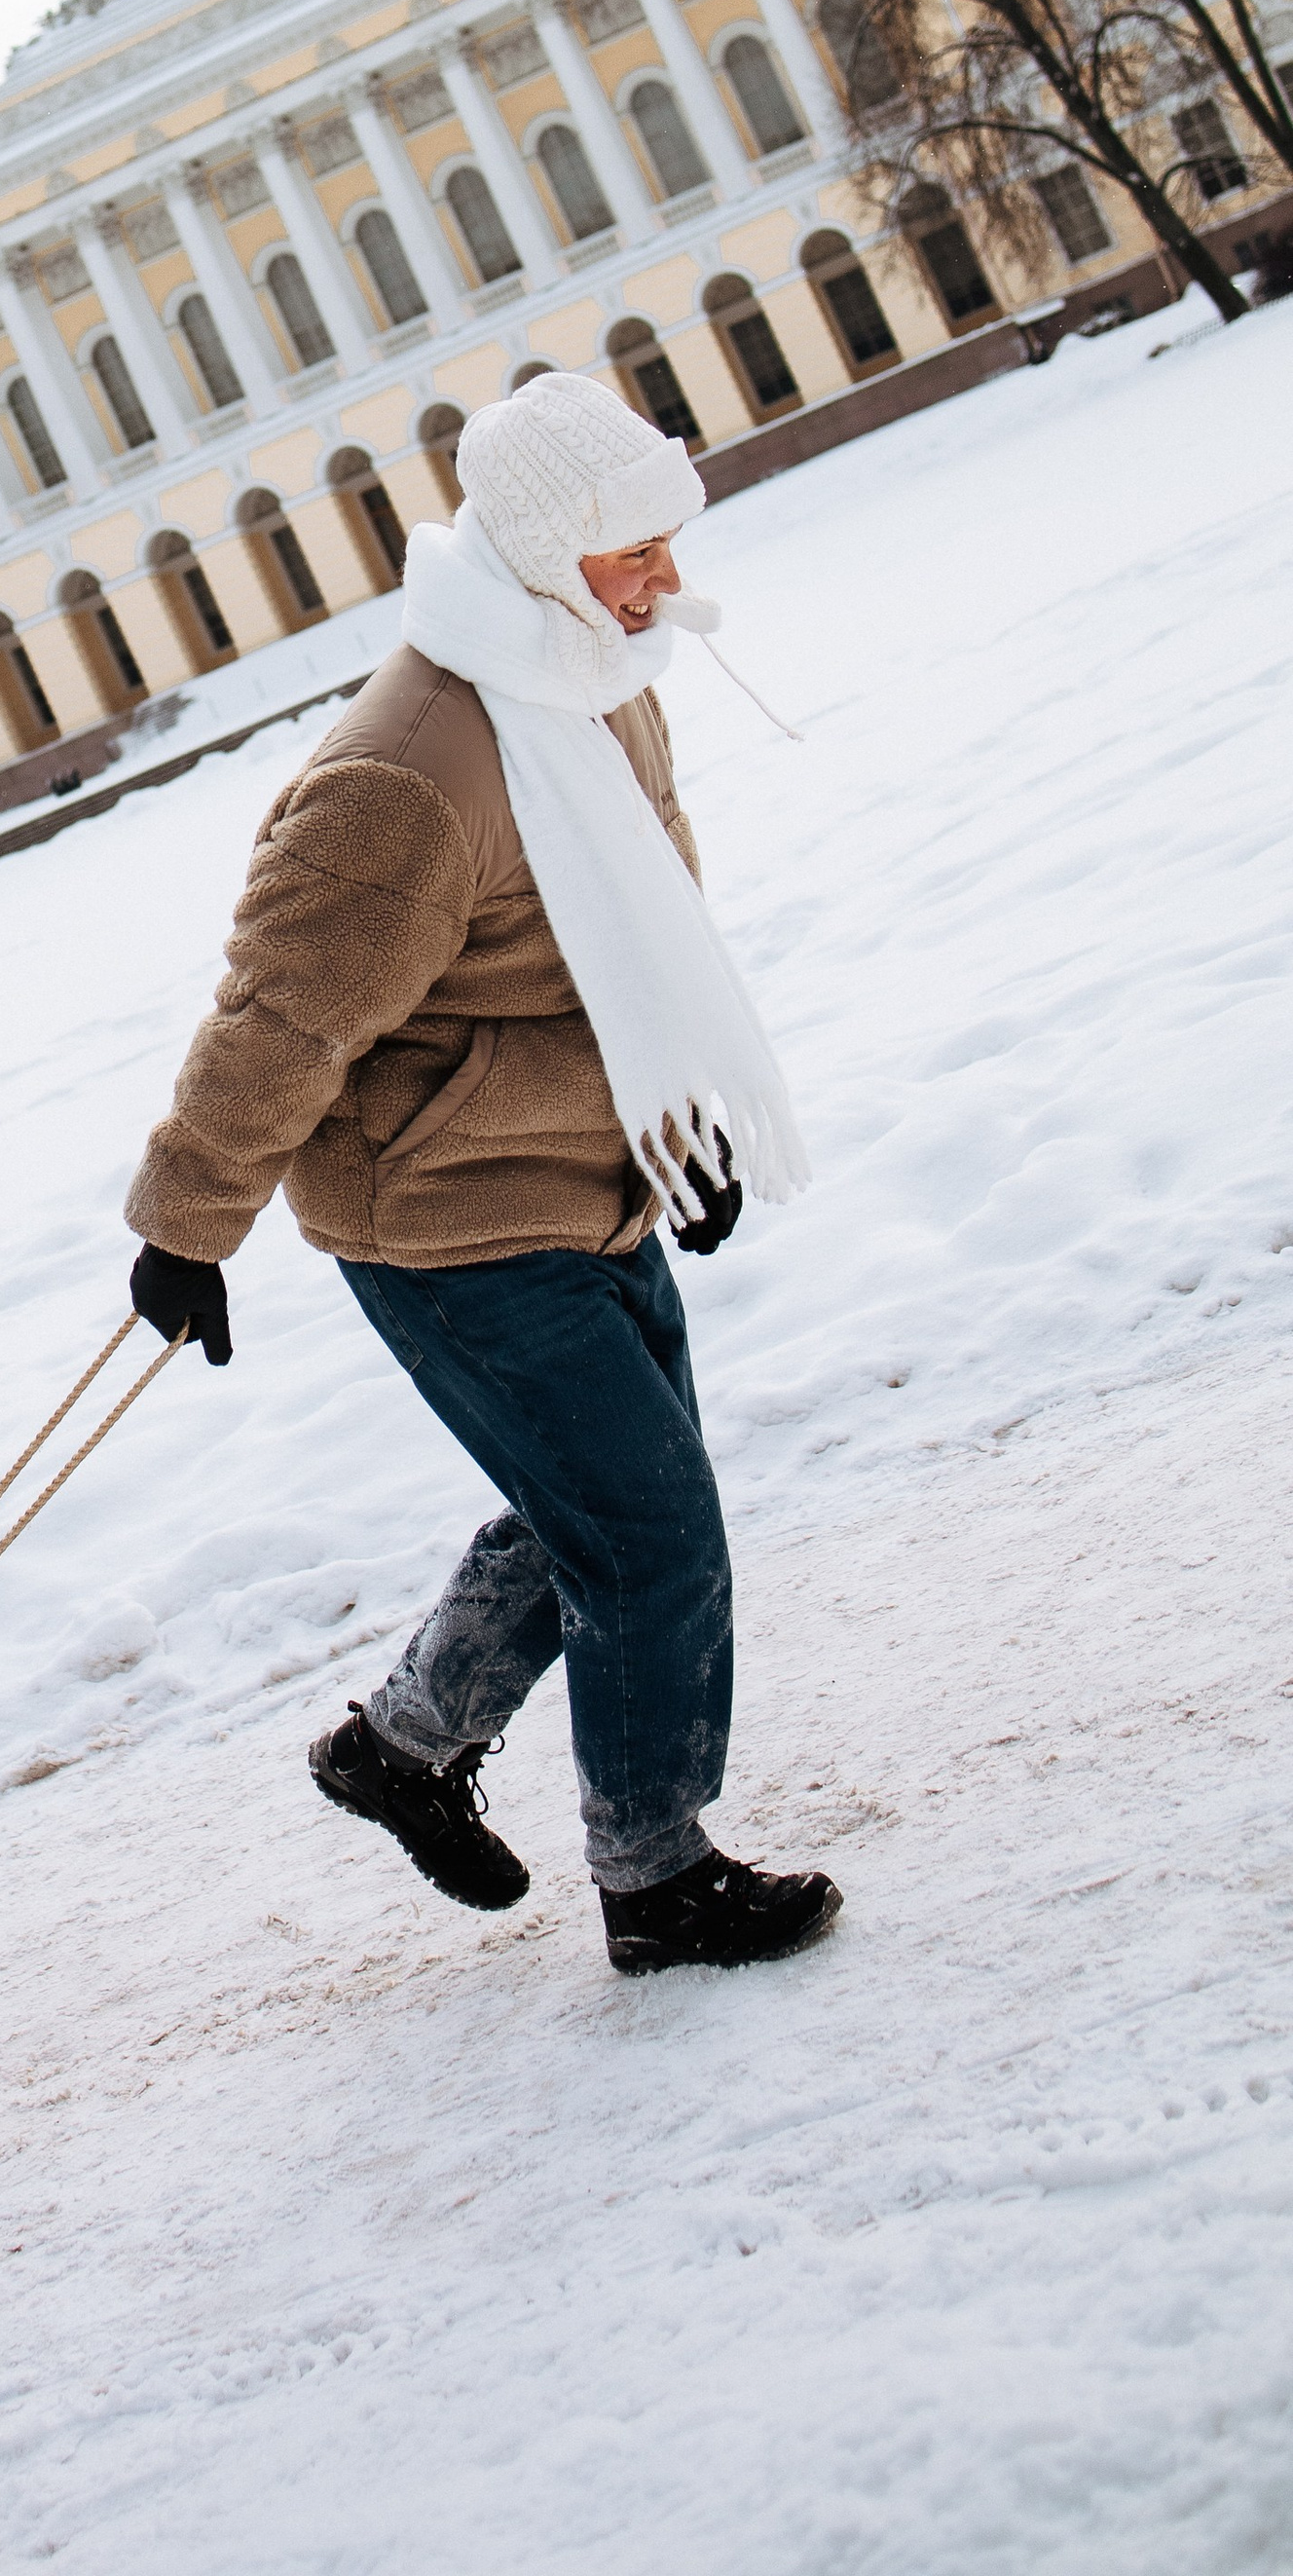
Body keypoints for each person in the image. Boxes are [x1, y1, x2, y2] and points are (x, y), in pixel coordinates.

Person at [123, 367, 840, 1975]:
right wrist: (186, 1230)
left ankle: (404, 1746)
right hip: (448, 1217)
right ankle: (655, 1880)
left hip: (584, 1168)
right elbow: (281, 1017)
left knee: (602, 1503)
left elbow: (636, 934)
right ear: (536, 546)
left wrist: (683, 1117)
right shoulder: (410, 773)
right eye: (631, 551)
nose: (667, 581)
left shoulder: (594, 671)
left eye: (673, 541)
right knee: (648, 1532)